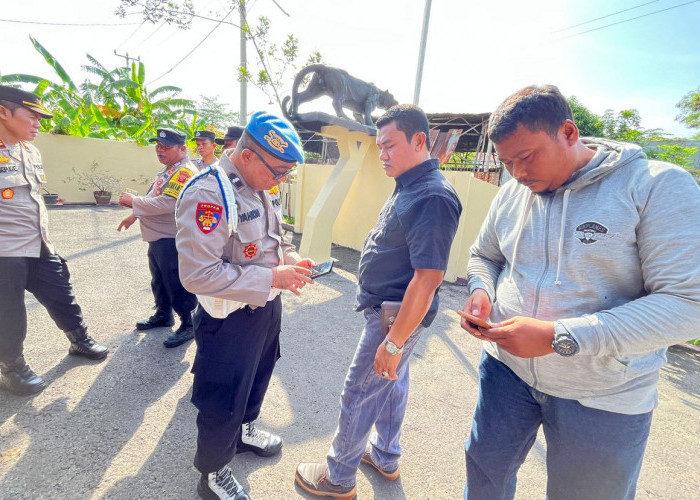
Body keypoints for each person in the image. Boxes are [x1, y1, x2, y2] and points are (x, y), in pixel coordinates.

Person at [459, 85, 700, 500]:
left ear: (568, 133)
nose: (516, 172)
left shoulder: (655, 187)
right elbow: (484, 255)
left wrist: (560, 337)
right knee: (484, 476)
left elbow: (687, 304)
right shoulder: (514, 191)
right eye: (507, 161)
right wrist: (481, 291)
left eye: (527, 156)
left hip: (605, 393)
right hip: (505, 373)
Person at [295, 104, 463, 499]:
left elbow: (428, 279)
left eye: (389, 146)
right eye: (380, 147)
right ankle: (385, 456)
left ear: (419, 140)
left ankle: (337, 478)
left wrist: (393, 342)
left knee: (360, 391)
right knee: (391, 384)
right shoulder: (410, 183)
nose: (382, 154)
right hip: (391, 313)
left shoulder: (431, 196)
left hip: (395, 317)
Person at [175, 111, 313, 500]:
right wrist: (271, 277)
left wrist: (290, 258)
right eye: (279, 171)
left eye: (287, 173)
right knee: (222, 397)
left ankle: (247, 428)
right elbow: (198, 274)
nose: (282, 179)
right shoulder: (208, 193)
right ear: (248, 156)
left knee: (258, 376)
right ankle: (214, 472)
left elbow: (273, 237)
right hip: (229, 319)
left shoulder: (259, 184)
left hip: (264, 308)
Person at [0, 85, 109, 396]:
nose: (38, 122)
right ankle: (11, 368)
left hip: (38, 242)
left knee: (62, 293)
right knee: (8, 311)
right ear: (3, 112)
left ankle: (79, 339)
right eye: (31, 116)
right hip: (4, 249)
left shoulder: (30, 151)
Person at [117, 128, 198, 348]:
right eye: (158, 146)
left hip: (171, 238)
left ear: (183, 149)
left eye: (166, 147)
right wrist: (134, 215)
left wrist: (134, 201)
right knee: (160, 280)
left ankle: (189, 324)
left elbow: (168, 204)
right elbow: (156, 197)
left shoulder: (183, 172)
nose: (160, 150)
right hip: (158, 237)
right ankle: (164, 314)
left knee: (176, 282)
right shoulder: (168, 170)